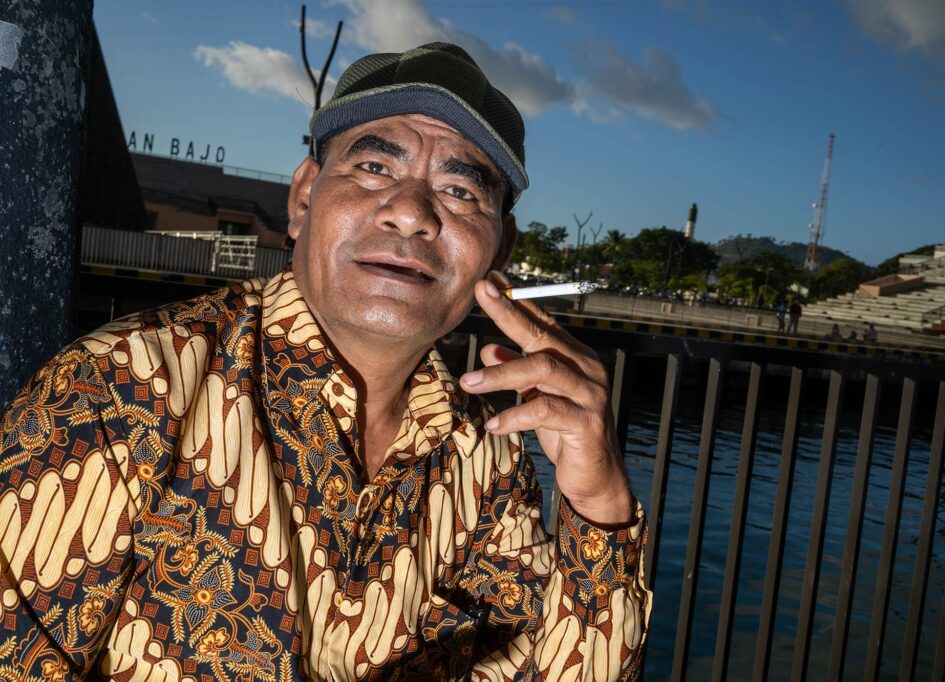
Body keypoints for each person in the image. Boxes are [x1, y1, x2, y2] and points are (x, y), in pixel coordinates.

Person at [0, 43, 649, 680]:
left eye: (459, 190)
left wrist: (601, 503)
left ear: (497, 249)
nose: (412, 213)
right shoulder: (119, 392)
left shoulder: (490, 460)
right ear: (305, 197)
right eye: (373, 168)